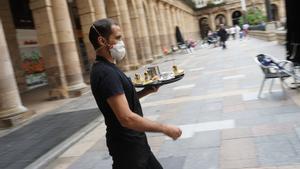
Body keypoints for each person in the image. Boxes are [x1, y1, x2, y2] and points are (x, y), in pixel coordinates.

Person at [89, 19, 182, 169]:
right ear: (102, 40)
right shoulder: (106, 73)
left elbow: (118, 104)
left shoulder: (106, 68)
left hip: (134, 143)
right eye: (118, 38)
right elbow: (126, 118)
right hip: (127, 148)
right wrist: (165, 129)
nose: (122, 42)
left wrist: (144, 92)